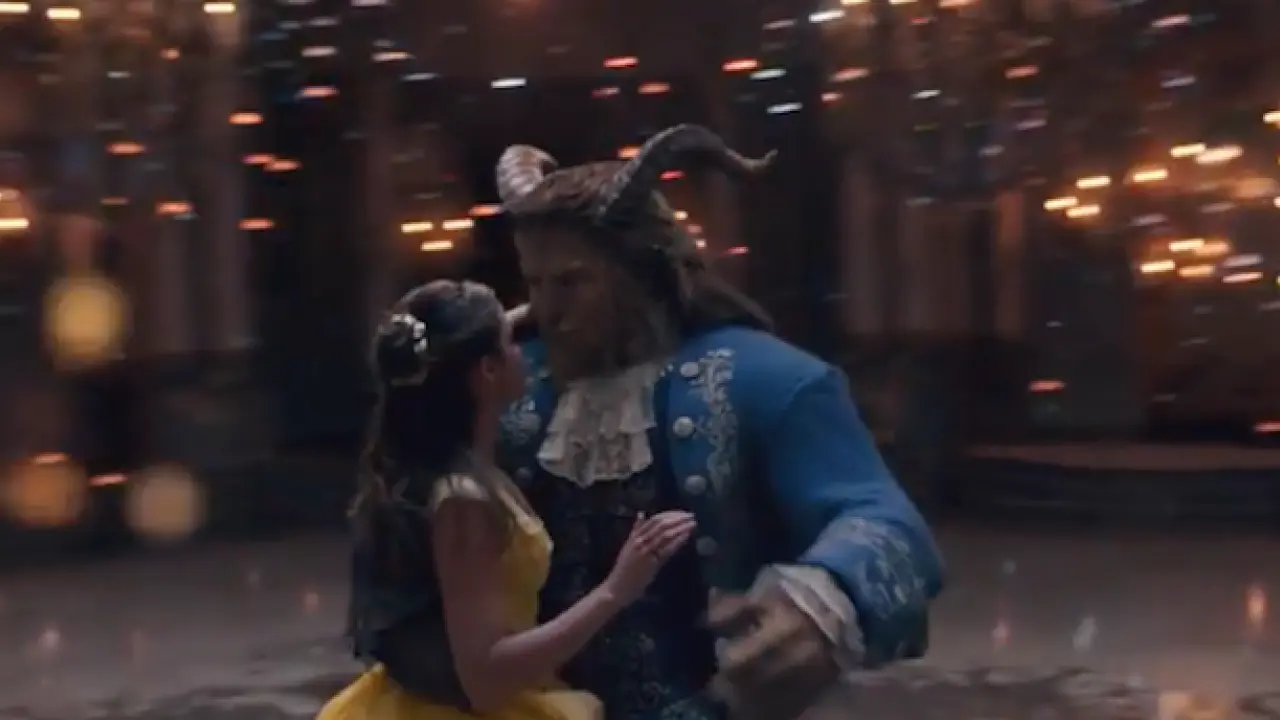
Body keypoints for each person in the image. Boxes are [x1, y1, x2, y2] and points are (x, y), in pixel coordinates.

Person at [495, 124, 946, 720]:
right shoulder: (504, 385)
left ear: (642, 273)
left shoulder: (764, 380)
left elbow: (888, 523)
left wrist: (822, 605)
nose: (548, 312)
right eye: (535, 283)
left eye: (572, 282)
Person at [319, 279, 698, 720]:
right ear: (487, 371)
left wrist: (547, 302)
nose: (523, 350)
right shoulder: (462, 502)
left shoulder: (447, 461)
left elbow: (466, 344)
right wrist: (616, 589)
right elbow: (484, 679)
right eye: (508, 343)